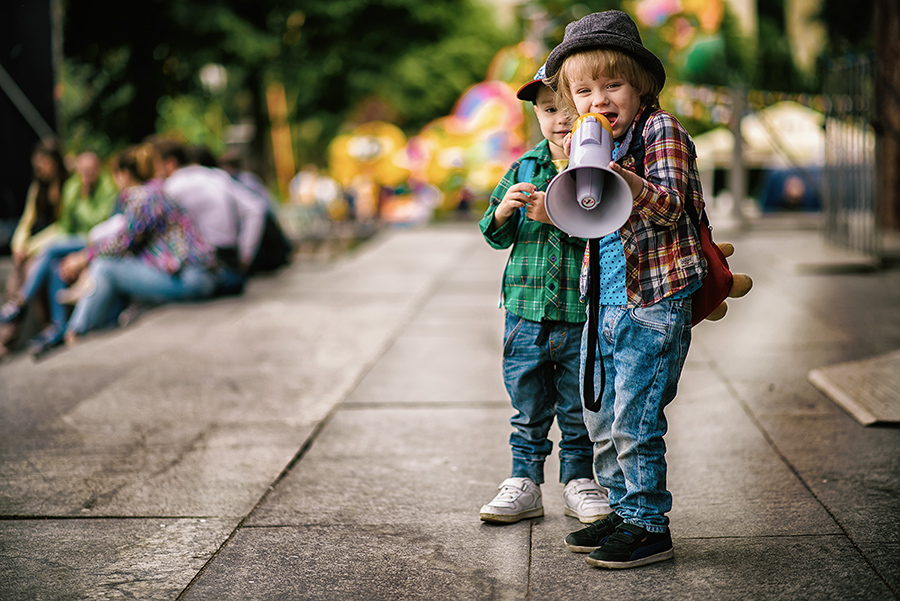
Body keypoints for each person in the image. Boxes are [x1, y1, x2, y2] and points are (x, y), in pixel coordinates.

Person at [543, 10, 706, 569]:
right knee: (605, 416)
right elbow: (582, 219)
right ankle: (620, 505)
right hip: (605, 299)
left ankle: (648, 523)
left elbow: (671, 207)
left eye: (612, 84)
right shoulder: (585, 144)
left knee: (636, 418)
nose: (598, 100)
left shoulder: (663, 132)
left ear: (641, 86)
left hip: (654, 301)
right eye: (583, 90)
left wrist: (629, 181)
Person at [476, 64, 611, 525]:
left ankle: (579, 479)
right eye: (549, 109)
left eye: (569, 111)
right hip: (525, 309)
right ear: (536, 113)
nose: (558, 120)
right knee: (527, 400)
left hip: (578, 308)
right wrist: (503, 213)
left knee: (578, 404)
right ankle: (524, 481)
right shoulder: (524, 166)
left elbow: (605, 231)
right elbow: (493, 234)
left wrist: (556, 215)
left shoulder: (595, 171)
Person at [59, 143, 217, 347]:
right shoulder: (156, 190)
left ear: (124, 174)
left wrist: (82, 258)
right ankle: (86, 322)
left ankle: (75, 331)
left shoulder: (142, 197)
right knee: (109, 265)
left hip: (191, 279)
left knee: (105, 267)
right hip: (198, 274)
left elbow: (123, 242)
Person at [0, 151, 118, 355]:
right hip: (73, 240)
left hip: (93, 240)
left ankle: (20, 303)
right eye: (84, 172)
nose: (87, 176)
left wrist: (86, 193)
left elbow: (99, 224)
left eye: (91, 171)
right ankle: (58, 327)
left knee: (50, 249)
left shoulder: (107, 188)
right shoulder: (71, 186)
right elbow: (63, 226)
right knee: (55, 266)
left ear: (99, 169)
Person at [154, 139, 266, 295]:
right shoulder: (217, 175)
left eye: (154, 165)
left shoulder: (173, 186)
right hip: (234, 273)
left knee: (112, 270)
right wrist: (245, 256)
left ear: (170, 164)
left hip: (205, 273)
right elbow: (256, 208)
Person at [0, 138, 69, 356]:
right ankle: (5, 340)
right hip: (32, 247)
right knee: (14, 279)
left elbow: (62, 227)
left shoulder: (67, 186)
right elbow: (25, 221)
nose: (39, 168)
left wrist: (30, 247)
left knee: (35, 271)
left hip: (51, 245)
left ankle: (49, 327)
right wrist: (18, 245)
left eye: (44, 163)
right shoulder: (37, 187)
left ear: (55, 162)